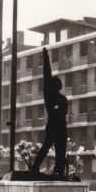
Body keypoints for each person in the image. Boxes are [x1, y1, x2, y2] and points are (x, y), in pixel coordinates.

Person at [31, 48, 67, 178]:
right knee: (48, 147)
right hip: (55, 125)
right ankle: (36, 167)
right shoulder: (50, 95)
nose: (59, 85)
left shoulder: (61, 98)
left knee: (58, 150)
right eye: (58, 84)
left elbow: (63, 113)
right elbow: (47, 74)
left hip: (59, 126)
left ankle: (58, 170)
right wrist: (46, 58)